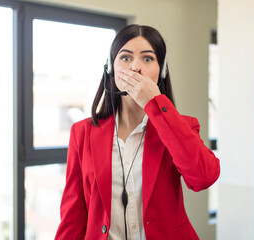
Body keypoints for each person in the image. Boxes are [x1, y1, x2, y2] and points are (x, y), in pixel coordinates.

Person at [55, 24, 220, 240]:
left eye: (148, 58)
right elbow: (73, 218)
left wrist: (155, 103)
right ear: (110, 69)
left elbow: (204, 178)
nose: (136, 67)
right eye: (125, 58)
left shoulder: (182, 127)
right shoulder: (82, 132)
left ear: (162, 70)